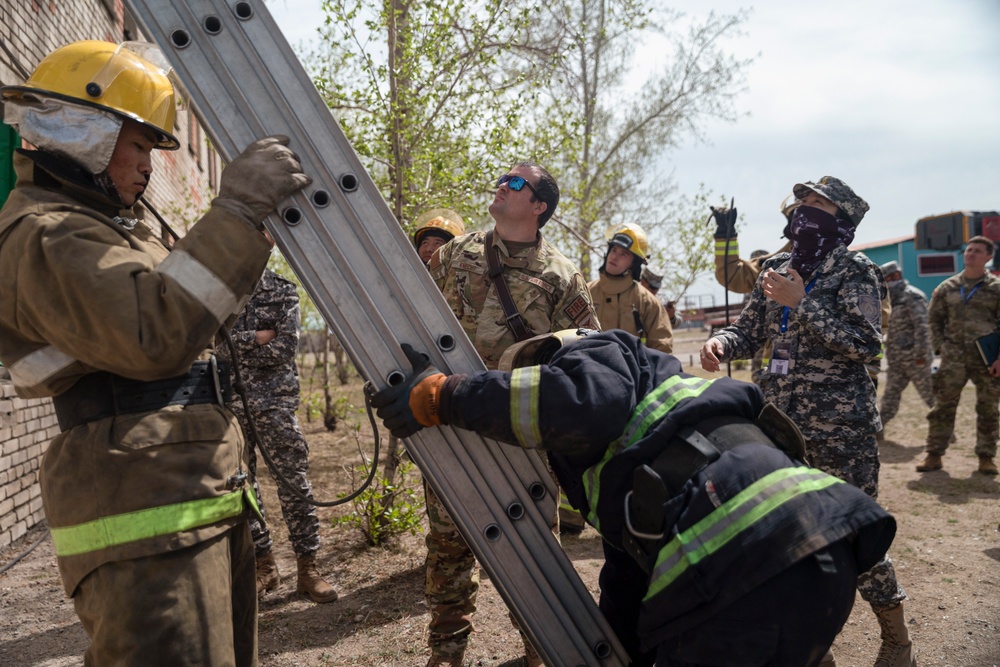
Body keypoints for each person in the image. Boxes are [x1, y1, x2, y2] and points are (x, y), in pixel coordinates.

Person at [0, 40, 310, 665]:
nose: (148, 166)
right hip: (142, 508)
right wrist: (238, 209)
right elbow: (155, 332)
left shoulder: (102, 227)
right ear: (84, 130)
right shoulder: (46, 231)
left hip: (181, 492)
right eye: (138, 145)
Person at [371, 329, 897, 667]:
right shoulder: (649, 435)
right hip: (821, 551)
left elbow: (580, 402)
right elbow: (629, 580)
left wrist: (442, 396)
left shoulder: (599, 353)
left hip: (742, 567)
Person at [700, 176, 916, 667]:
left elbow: (865, 344)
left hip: (841, 430)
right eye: (802, 202)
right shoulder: (776, 267)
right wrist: (723, 344)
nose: (804, 211)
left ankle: (896, 637)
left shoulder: (856, 271)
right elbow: (750, 329)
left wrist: (804, 303)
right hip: (780, 426)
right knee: (791, 537)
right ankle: (815, 647)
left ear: (840, 218)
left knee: (856, 535)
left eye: (818, 204)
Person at [425, 161, 600, 667]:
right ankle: (446, 652)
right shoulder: (457, 253)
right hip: (451, 422)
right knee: (447, 542)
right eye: (503, 178)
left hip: (522, 433)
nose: (502, 185)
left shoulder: (561, 276)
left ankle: (540, 650)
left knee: (531, 549)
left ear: (539, 206)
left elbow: (584, 354)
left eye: (516, 183)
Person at [219, 267, 339, 603]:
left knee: (293, 482)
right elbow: (215, 346)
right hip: (232, 404)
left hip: (275, 404)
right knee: (242, 486)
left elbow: (286, 347)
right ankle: (265, 566)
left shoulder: (283, 289)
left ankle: (308, 569)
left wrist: (237, 343)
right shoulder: (221, 286)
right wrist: (256, 337)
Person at [918, 236, 1000, 475]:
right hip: (953, 356)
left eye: (977, 251)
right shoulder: (947, 287)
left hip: (986, 357)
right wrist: (940, 347)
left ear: (988, 256)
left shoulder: (996, 289)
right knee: (942, 407)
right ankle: (934, 454)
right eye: (968, 250)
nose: (970, 254)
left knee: (988, 408)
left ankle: (986, 457)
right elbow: (933, 319)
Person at [588, 223, 672, 353]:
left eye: (623, 254)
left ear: (634, 264)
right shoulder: (585, 293)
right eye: (614, 250)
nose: (614, 256)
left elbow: (662, 349)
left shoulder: (647, 302)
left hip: (633, 373)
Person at [878, 260, 935, 432]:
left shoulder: (912, 296)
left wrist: (921, 355)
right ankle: (878, 431)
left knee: (930, 395)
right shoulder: (890, 299)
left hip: (915, 359)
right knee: (890, 396)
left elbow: (923, 328)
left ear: (896, 276)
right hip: (896, 360)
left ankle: (944, 429)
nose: (883, 285)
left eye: (885, 280)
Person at [641, 265, 683, 329]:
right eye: (652, 287)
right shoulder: (631, 295)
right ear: (642, 281)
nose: (655, 291)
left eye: (657, 288)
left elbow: (678, 321)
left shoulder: (663, 299)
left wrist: (671, 317)